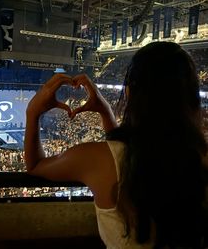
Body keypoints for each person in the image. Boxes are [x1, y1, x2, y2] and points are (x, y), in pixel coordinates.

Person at [24, 41, 208, 249]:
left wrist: (32, 113)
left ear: (129, 92)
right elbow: (134, 151)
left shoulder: (93, 159)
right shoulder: (200, 157)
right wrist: (105, 112)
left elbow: (35, 165)